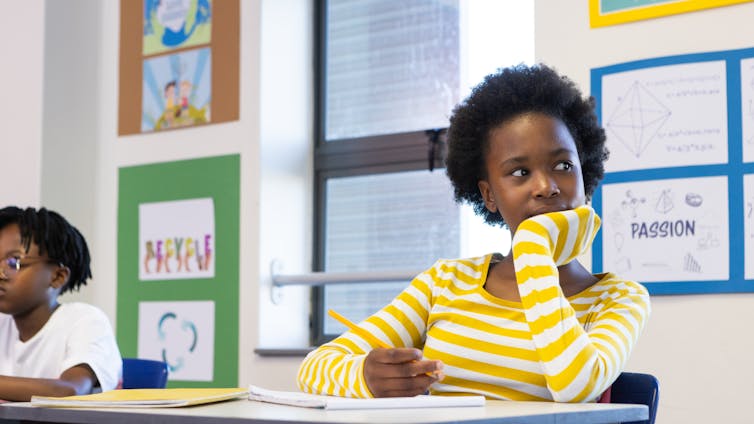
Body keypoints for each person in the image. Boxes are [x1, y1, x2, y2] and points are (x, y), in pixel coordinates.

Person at [297, 64, 651, 402]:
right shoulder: (445, 282)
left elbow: (576, 385)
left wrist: (533, 248)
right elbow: (314, 369)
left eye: (563, 166)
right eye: (519, 172)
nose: (546, 186)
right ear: (489, 195)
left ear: (584, 173)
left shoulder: (617, 299)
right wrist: (366, 376)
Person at [0, 206, 121, 401]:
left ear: (57, 276)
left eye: (13, 262)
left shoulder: (85, 321)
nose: (1, 274)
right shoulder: (3, 325)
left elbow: (70, 390)